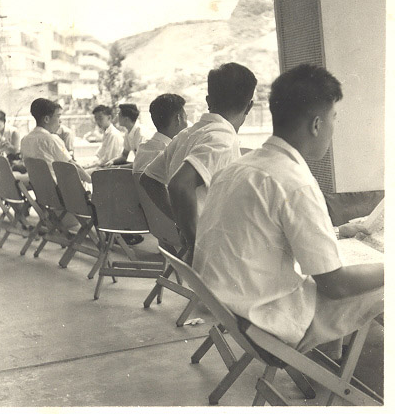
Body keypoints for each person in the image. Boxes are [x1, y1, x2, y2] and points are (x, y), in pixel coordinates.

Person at [192, 64, 383, 360]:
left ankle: (334, 358)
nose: (334, 128)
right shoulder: (295, 182)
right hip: (272, 322)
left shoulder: (238, 168)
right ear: (317, 125)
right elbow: (336, 285)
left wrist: (335, 234)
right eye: (334, 118)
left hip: (234, 311)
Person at [140, 63, 257, 258]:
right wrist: (195, 241)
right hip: (217, 248)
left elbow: (149, 180)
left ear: (208, 100)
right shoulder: (222, 138)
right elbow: (179, 184)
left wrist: (181, 221)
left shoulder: (187, 134)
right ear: (250, 106)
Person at [21, 98, 90, 183]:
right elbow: (73, 167)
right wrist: (93, 182)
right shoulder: (52, 139)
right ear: (46, 119)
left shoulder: (25, 140)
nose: (60, 121)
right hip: (61, 191)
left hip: (42, 190)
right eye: (58, 116)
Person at [132, 93, 188, 173]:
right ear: (178, 119)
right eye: (186, 117)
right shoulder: (172, 155)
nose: (187, 124)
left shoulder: (143, 148)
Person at [83, 105, 124, 172]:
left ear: (109, 118)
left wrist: (90, 166)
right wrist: (89, 165)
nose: (98, 121)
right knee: (82, 171)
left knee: (82, 174)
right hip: (105, 167)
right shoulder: (106, 133)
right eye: (96, 119)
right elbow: (100, 155)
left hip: (111, 170)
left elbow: (107, 159)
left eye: (100, 118)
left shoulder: (113, 134)